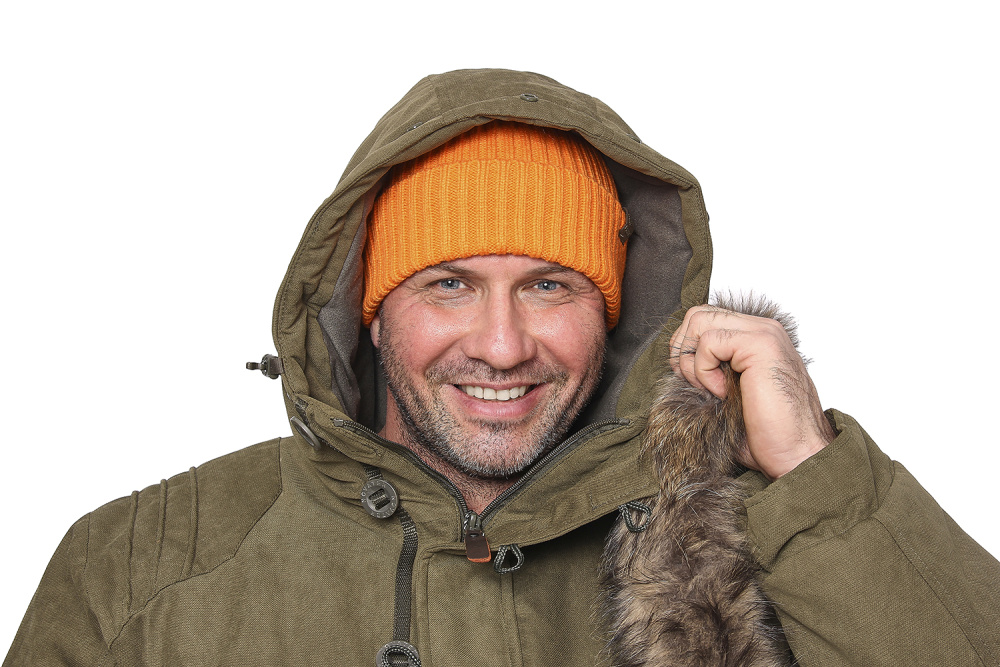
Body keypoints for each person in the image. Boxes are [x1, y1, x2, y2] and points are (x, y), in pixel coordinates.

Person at [5, 68, 998, 667]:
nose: (501, 345)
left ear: (618, 316)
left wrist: (816, 478)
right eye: (448, 284)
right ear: (369, 310)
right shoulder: (141, 566)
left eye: (550, 286)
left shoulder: (758, 544)